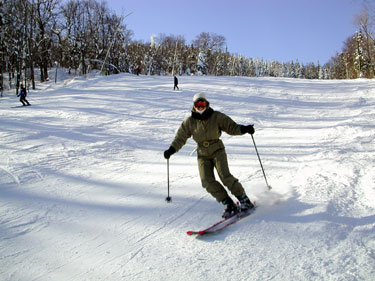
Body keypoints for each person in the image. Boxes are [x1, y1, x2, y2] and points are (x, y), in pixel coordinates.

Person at [163, 93, 255, 218]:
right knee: (206, 181)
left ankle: (244, 200)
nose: (200, 107)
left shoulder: (216, 116)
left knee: (225, 176)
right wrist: (171, 149)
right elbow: (180, 137)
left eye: (203, 104)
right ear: (194, 106)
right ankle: (228, 203)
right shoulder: (189, 122)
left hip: (217, 150)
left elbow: (231, 127)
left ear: (207, 104)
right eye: (198, 104)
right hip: (202, 153)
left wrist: (244, 129)